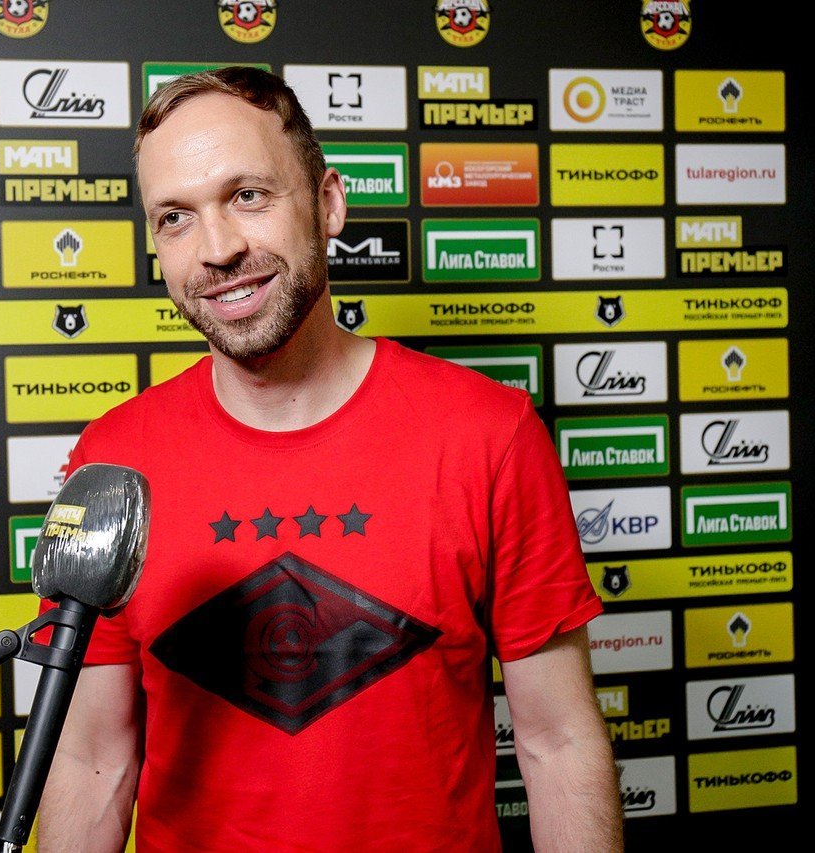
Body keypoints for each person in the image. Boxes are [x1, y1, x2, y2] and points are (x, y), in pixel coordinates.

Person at [37, 66, 622, 852]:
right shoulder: (112, 462)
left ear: (329, 203)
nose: (218, 249)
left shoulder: (490, 434)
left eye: (248, 195)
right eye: (175, 217)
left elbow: (558, 743)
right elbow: (91, 759)